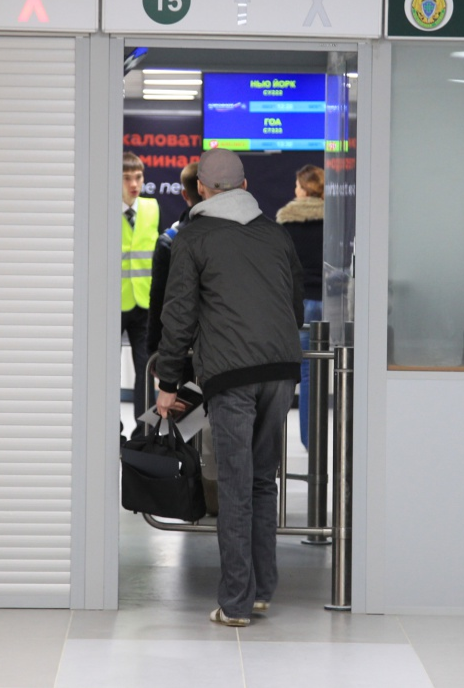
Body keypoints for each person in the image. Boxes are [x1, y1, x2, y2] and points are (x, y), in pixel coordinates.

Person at [155, 148, 304, 627]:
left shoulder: (193, 237)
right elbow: (294, 306)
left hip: (230, 374)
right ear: (244, 186)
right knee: (262, 481)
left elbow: (179, 315)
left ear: (201, 189)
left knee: (236, 485)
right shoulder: (275, 233)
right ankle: (261, 592)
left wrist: (168, 382)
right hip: (280, 369)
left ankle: (237, 602)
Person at [275, 164, 325, 449]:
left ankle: (301, 441)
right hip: (331, 303)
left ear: (305, 190)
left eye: (297, 186)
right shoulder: (335, 221)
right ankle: (316, 442)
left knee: (297, 372)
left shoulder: (286, 223)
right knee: (321, 372)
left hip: (298, 304)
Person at [121, 151, 159, 436]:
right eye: (126, 178)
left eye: (138, 177)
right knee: (104, 371)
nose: (134, 184)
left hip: (144, 303)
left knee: (146, 369)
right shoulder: (102, 208)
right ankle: (110, 430)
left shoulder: (152, 207)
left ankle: (144, 434)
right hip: (112, 303)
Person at [147, 160, 200, 357]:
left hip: (181, 347)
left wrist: (154, 350)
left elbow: (159, 301)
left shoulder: (170, 241)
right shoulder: (234, 236)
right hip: (226, 348)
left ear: (185, 194)